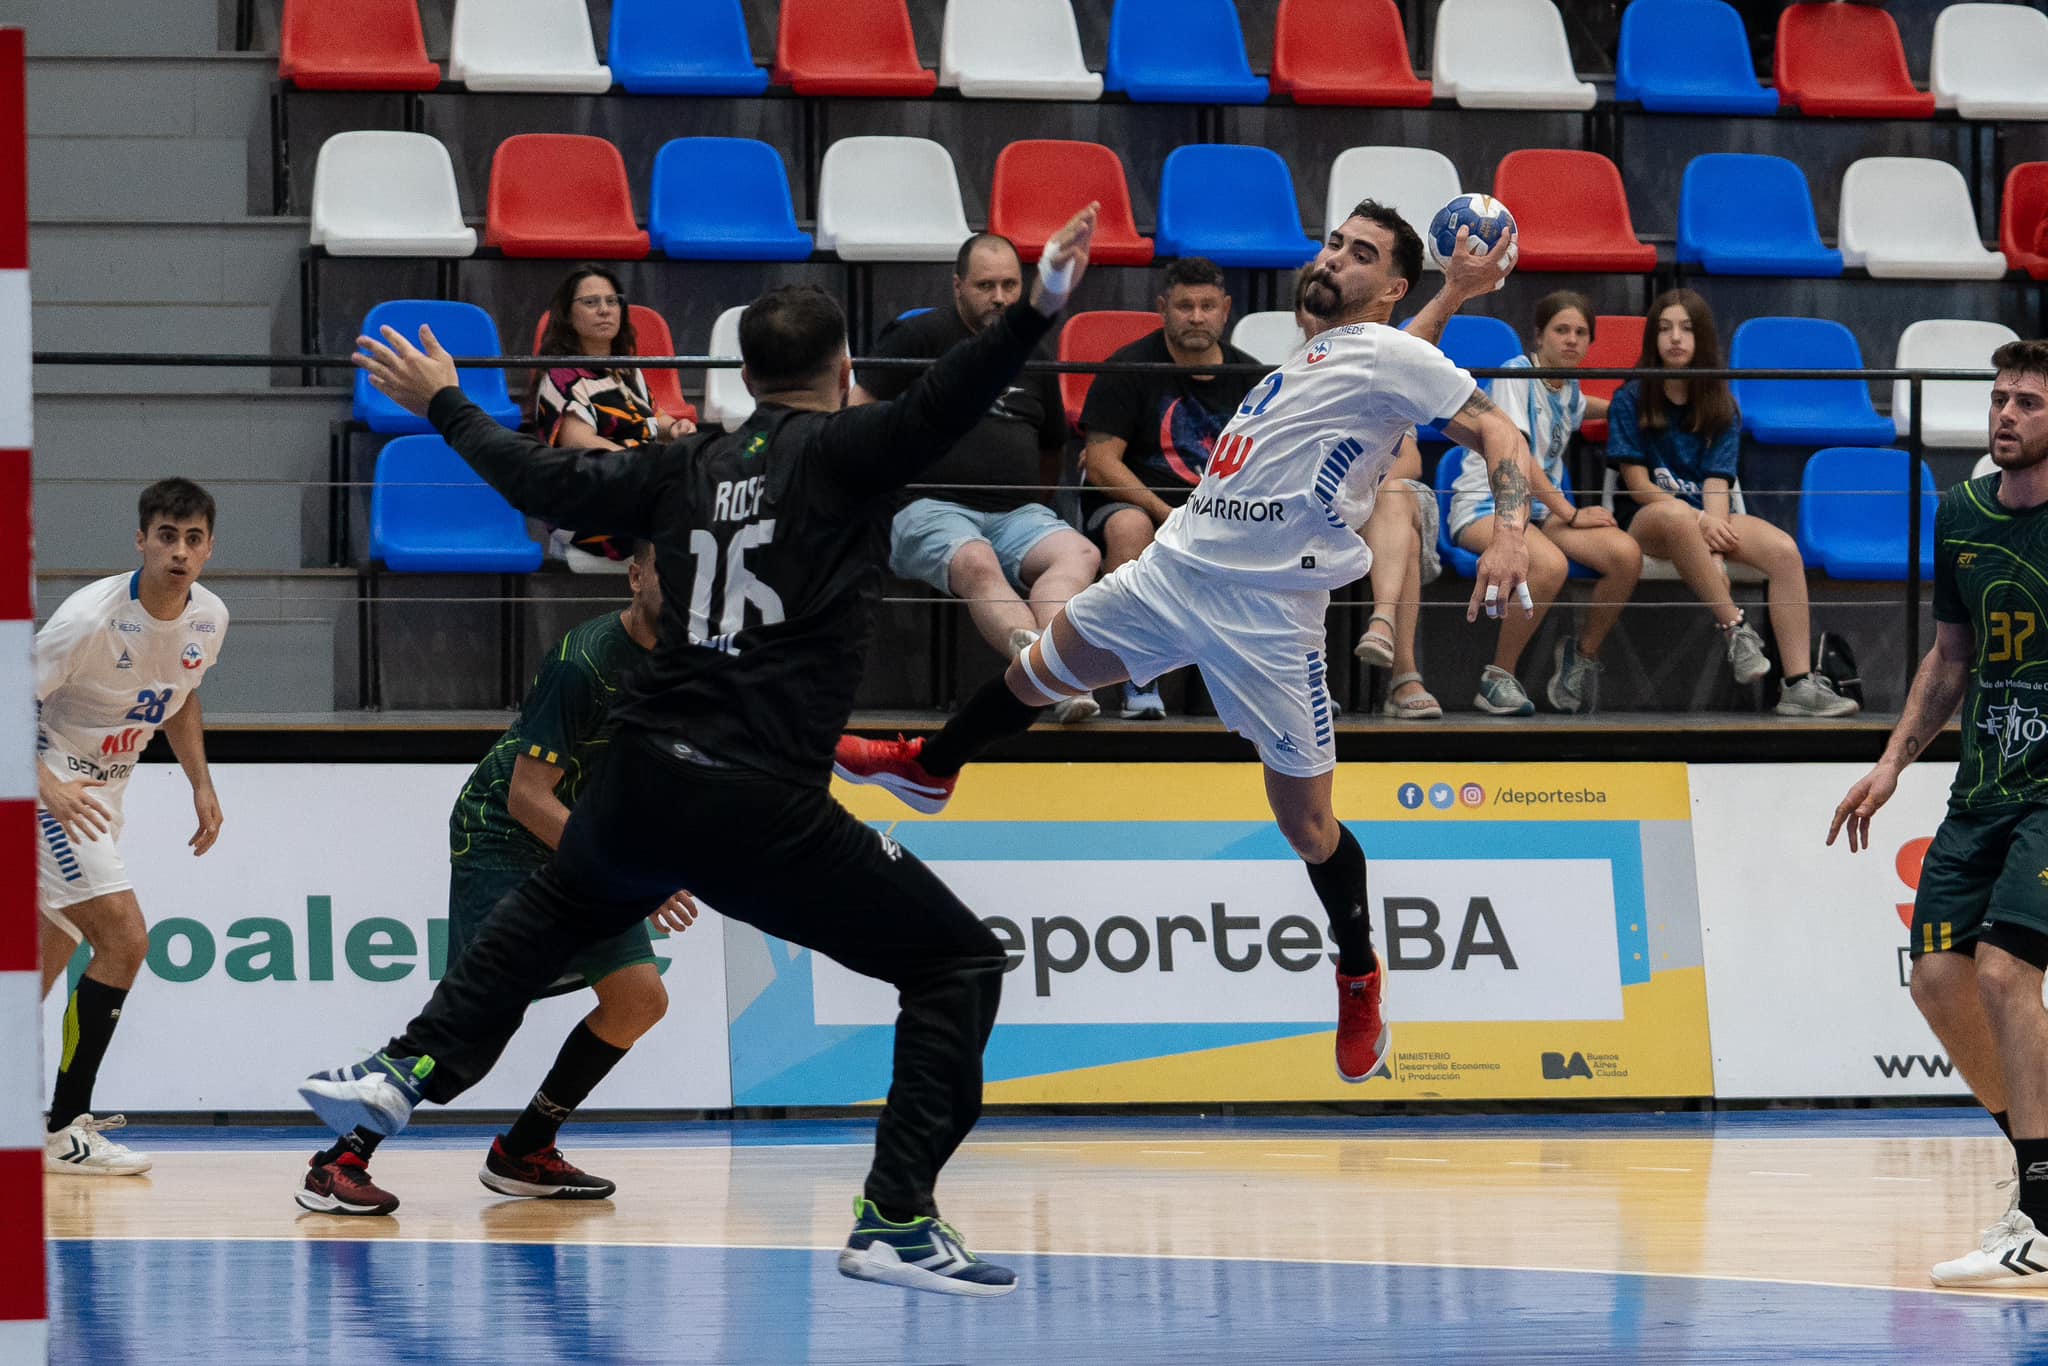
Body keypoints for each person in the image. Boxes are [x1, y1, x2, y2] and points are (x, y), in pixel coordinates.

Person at [303, 203, 1108, 1299]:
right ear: (836, 372)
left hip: (641, 769)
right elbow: (949, 396)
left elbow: (543, 482)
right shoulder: (849, 450)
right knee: (955, 963)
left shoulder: (686, 461)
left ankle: (398, 1074)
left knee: (557, 908)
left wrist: (442, 399)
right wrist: (1039, 310)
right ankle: (896, 1215)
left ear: (741, 371)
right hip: (753, 790)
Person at [835, 200, 1537, 1087]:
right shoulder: (1343, 350)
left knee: (1310, 827)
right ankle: (933, 766)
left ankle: (1358, 973)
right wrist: (1451, 294)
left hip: (1271, 618)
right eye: (1332, 242)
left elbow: (1496, 427)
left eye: (1361, 255)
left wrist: (1511, 529)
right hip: (1173, 573)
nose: (1335, 259)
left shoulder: (1391, 353)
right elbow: (1401, 348)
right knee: (1037, 671)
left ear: (1395, 285)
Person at [296, 541, 697, 1217]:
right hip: (505, 835)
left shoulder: (695, 668)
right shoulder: (586, 662)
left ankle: (525, 1151)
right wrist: (631, 870)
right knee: (482, 1014)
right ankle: (337, 1161)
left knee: (638, 999)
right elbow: (528, 798)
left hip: (589, 842)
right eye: (668, 565)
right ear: (635, 575)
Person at [1828, 339, 2048, 1286]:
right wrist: (1890, 764)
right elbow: (1950, 657)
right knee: (1938, 982)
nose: (2006, 414)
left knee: (2005, 972)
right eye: (2000, 398)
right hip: (1983, 785)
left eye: (2029, 403)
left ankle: (2038, 1212)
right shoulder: (1960, 515)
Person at [37, 478, 228, 1176]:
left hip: (105, 794)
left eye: (193, 538)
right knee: (124, 939)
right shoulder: (89, 617)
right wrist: (48, 785)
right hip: (51, 786)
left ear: (209, 548)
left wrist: (201, 783)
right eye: (167, 536)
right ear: (141, 540)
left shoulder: (208, 616)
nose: (180, 551)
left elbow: (180, 696)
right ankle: (66, 1129)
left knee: (34, 970)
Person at [851, 234, 1100, 723]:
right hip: (925, 508)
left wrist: (1031, 502)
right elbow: (858, 411)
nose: (1001, 297)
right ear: (958, 286)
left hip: (1016, 514)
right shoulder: (919, 338)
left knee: (1079, 552)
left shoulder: (1034, 352)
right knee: (976, 560)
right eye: (986, 285)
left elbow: (1052, 447)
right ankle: (1049, 673)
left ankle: (1059, 674)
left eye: (1010, 284)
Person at [1606, 288, 1857, 717]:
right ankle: (1735, 629)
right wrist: (1700, 522)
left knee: (1783, 551)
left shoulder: (1721, 403)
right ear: (1653, 339)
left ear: (1702, 338)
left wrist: (1713, 530)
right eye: (1665, 329)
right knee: (1675, 515)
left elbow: (1717, 482)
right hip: (1648, 519)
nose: (1676, 338)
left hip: (1705, 514)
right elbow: (1636, 483)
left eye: (1686, 328)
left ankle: (1798, 684)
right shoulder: (1631, 398)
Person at [1333, 244, 1522, 722]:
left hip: (1370, 505)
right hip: (1308, 510)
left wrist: (1510, 534)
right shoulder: (1294, 376)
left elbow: (1414, 458)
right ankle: (1399, 673)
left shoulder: (1389, 365)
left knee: (1397, 498)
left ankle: (1385, 631)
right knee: (1392, 508)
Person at [1076, 257, 1258, 718]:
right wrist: (1165, 512)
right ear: (1162, 307)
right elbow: (1100, 464)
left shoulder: (1253, 378)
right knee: (1130, 526)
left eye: (1207, 305)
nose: (1196, 317)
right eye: (1184, 306)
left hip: (1222, 515)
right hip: (1137, 507)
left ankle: (1279, 683)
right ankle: (1139, 682)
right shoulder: (1129, 367)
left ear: (1226, 309)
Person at [1449, 292, 1638, 715]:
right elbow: (1519, 458)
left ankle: (1580, 657)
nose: (1571, 340)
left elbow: (1583, 407)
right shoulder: (1515, 374)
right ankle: (1497, 677)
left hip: (1537, 515)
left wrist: (1632, 409)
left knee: (1625, 554)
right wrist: (1570, 512)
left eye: (1581, 333)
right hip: (1487, 508)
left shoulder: (1567, 388)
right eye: (1561, 330)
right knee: (1550, 565)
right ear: (1538, 336)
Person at [532, 264, 698, 570]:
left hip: (636, 487)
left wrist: (675, 427)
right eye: (591, 303)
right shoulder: (561, 377)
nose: (604, 310)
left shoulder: (626, 369)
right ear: (567, 315)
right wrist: (650, 466)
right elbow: (582, 445)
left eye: (611, 301)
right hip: (589, 504)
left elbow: (653, 418)